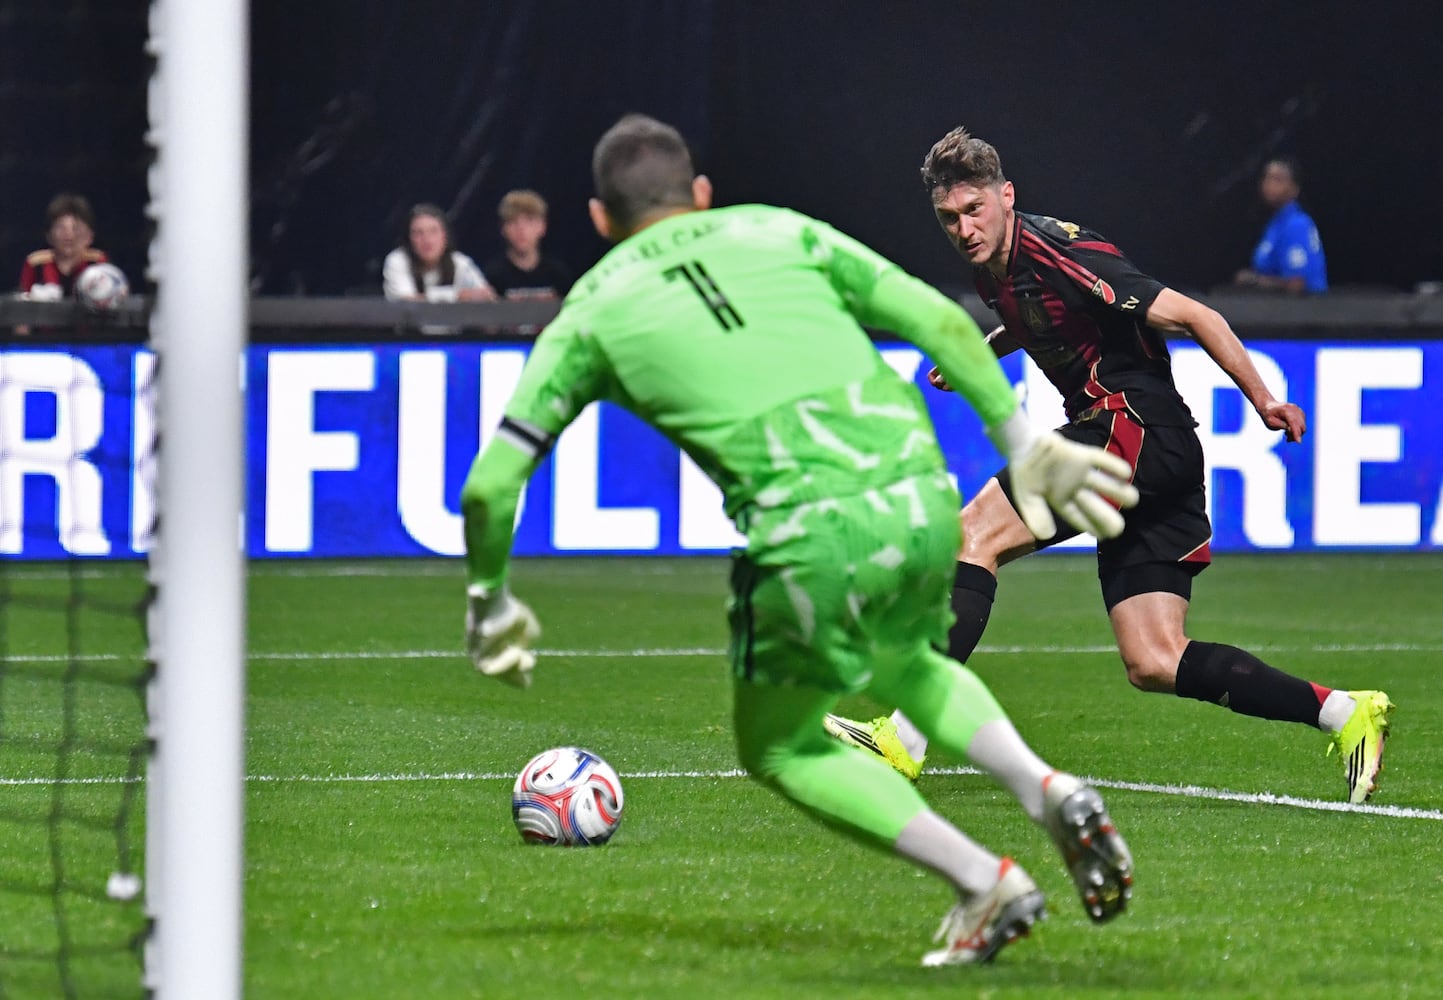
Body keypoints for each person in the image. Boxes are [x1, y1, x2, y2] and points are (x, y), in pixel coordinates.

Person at [461, 114, 1142, 967]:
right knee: (908, 664)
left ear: (599, 219)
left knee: (781, 743)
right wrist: (1024, 442)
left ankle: (982, 879)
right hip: (917, 493)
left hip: (805, 529)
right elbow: (936, 318)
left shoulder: (589, 310)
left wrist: (489, 597)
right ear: (701, 193)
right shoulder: (779, 228)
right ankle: (1048, 790)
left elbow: (489, 486)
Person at [824, 127, 1392, 805]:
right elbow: (1038, 318)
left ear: (1006, 197)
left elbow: (1193, 315)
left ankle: (904, 738)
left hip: (1133, 430)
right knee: (1153, 660)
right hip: (1156, 452)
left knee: (972, 536)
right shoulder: (992, 267)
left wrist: (1265, 399)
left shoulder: (1061, 249)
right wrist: (983, 351)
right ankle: (1343, 712)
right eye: (948, 218)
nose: (963, 227)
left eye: (974, 209)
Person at [1233, 157, 1327, 294]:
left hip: (1307, 310)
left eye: (1278, 179)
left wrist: (1254, 280)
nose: (1268, 184)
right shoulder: (1275, 223)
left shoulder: (1297, 223)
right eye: (1266, 178)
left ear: (1294, 188)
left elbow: (1297, 284)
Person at [483, 189, 574, 301]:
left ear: (542, 226)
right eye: (513, 221)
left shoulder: (558, 275)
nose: (521, 229)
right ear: (503, 229)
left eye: (529, 220)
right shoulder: (493, 277)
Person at [18, 193, 109, 300]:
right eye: (60, 228)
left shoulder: (98, 263)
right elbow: (22, 304)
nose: (69, 236)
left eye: (76, 228)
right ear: (49, 236)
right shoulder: (35, 263)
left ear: (90, 237)